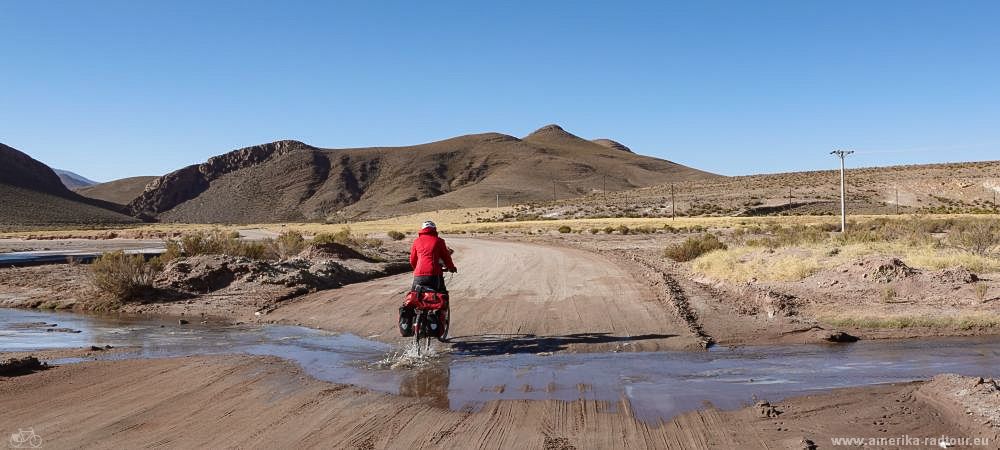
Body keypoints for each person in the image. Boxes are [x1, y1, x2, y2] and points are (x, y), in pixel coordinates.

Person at [409, 220, 457, 293]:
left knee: (414, 296)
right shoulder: (439, 241)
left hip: (419, 275)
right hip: (434, 274)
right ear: (434, 229)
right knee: (441, 295)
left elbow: (412, 260)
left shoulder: (416, 241)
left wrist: (417, 269)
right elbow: (446, 257)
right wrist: (451, 268)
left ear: (422, 229)